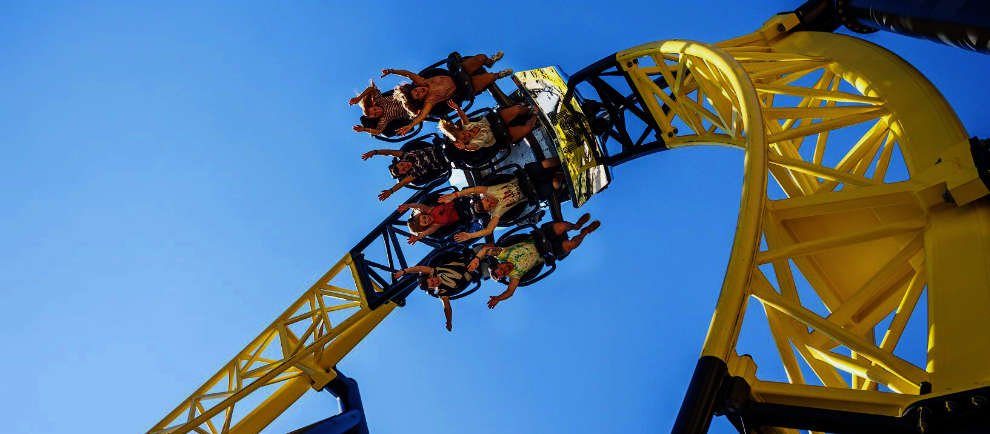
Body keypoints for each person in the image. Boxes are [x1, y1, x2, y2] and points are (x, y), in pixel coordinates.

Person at [382, 52, 511, 135]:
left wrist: (392, 71)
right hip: (463, 88)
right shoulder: (430, 101)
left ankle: (490, 61)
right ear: (421, 100)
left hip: (456, 74)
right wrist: (410, 125)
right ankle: (499, 75)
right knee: (489, 78)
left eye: (416, 90)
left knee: (481, 57)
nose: (419, 91)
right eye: (418, 95)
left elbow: (407, 73)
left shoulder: (422, 81)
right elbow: (422, 116)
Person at [437, 159, 565, 242]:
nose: (491, 203)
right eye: (490, 207)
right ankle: (563, 174)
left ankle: (562, 161)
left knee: (545, 164)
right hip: (533, 193)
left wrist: (454, 195)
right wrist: (470, 236)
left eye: (488, 202)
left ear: (485, 198)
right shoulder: (497, 212)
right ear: (489, 210)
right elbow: (488, 230)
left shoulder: (489, 190)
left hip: (525, 177)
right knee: (555, 183)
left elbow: (473, 190)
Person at [393, 260, 475, 331]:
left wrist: (404, 272)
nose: (435, 282)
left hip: (468, 261)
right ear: (432, 288)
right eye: (433, 285)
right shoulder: (442, 292)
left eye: (432, 280)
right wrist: (449, 321)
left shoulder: (434, 271)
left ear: (431, 276)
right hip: (473, 271)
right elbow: (447, 307)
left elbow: (419, 268)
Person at [467, 241, 542, 309]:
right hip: (546, 252)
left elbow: (486, 249)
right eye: (504, 273)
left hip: (538, 238)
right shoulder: (515, 275)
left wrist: (476, 259)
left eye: (502, 269)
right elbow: (510, 292)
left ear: (499, 264)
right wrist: (498, 298)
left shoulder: (503, 254)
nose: (506, 269)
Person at [439, 100, 539, 151]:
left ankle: (529, 108)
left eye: (463, 134)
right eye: (465, 139)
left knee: (517, 109)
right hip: (499, 135)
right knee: (526, 129)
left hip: (493, 121)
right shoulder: (475, 142)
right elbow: (472, 147)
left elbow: (462, 117)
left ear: (461, 130)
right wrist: (465, 147)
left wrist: (457, 108)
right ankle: (535, 114)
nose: (466, 135)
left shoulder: (466, 126)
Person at [362, 145, 448, 201]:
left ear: (401, 161)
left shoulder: (405, 155)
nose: (405, 166)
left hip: (440, 147)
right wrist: (391, 191)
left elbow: (390, 152)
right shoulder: (414, 172)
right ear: (405, 173)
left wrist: (375, 152)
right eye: (403, 170)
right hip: (444, 160)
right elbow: (402, 183)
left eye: (402, 164)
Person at [399, 200, 465, 244]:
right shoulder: (435, 225)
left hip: (458, 201)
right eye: (425, 222)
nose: (427, 219)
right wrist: (418, 237)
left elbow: (418, 206)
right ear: (425, 226)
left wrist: (408, 206)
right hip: (463, 213)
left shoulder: (429, 210)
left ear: (423, 214)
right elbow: (427, 232)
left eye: (424, 217)